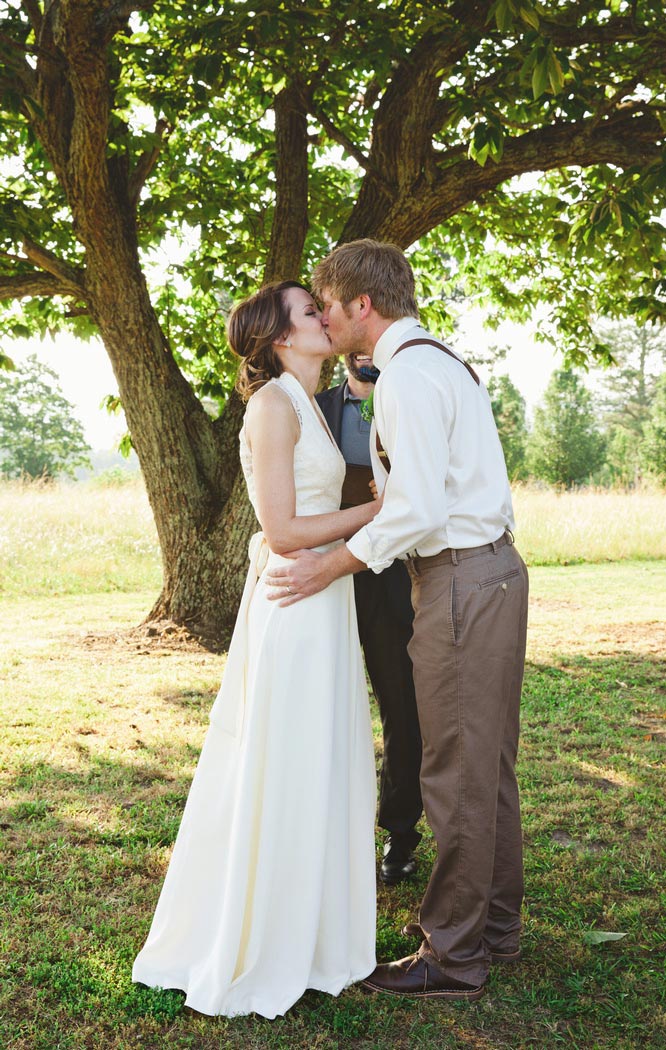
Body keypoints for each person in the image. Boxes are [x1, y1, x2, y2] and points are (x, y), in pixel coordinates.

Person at [266, 241, 529, 1002]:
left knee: (452, 767)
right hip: (492, 573)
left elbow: (417, 507)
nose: (324, 315)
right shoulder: (432, 362)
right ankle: (496, 929)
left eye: (328, 303)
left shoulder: (409, 377)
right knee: (488, 766)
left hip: (457, 582)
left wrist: (335, 562)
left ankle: (452, 954)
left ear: (362, 307)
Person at [132, 281, 380, 1019]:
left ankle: (312, 935)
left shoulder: (313, 401)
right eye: (311, 312)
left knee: (321, 759)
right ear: (280, 338)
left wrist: (368, 387)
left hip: (322, 599)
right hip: (296, 601)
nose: (325, 318)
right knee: (291, 760)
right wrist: (384, 509)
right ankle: (265, 940)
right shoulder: (272, 406)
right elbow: (281, 530)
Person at [316, 354, 423, 884]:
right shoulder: (314, 408)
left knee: (401, 702)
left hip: (389, 570)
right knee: (321, 707)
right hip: (323, 569)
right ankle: (318, 834)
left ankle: (400, 835)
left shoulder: (410, 398)